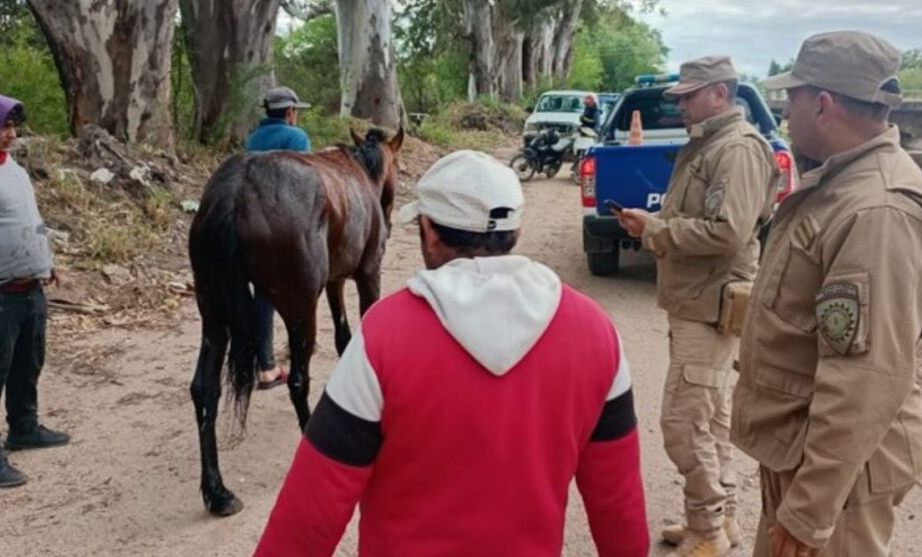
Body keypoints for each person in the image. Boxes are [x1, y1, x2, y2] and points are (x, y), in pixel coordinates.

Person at [254, 150, 649, 557]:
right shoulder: (594, 331)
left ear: (429, 230)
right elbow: (619, 508)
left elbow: (310, 512)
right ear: (513, 231)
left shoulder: (384, 335)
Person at [732, 31, 922, 557]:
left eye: (791, 97)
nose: (784, 111)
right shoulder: (841, 184)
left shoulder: (877, 211)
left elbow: (865, 376)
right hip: (807, 454)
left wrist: (812, 508)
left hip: (839, 479)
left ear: (823, 103)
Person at [615, 55, 778, 557]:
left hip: (710, 304)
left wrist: (656, 229)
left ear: (720, 93)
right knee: (710, 416)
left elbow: (728, 232)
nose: (680, 105)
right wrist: (656, 223)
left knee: (684, 421)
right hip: (697, 301)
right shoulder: (710, 144)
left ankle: (706, 530)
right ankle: (717, 521)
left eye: (689, 95)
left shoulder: (737, 150)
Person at [0, 92, 69, 488]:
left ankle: (25, 427)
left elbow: (27, 217)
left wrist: (45, 262)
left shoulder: (12, 167)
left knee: (29, 362)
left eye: (14, 127)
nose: (11, 135)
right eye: (4, 127)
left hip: (30, 286)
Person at [244, 86, 312, 390]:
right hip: (282, 223)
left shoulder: (253, 139)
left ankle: (264, 362)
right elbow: (306, 186)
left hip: (249, 220)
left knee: (261, 292)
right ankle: (289, 358)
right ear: (289, 113)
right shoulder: (296, 138)